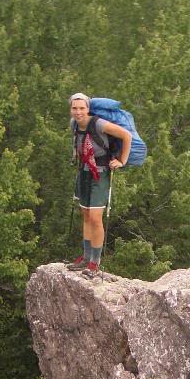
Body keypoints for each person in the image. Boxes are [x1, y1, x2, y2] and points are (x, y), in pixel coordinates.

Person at [66, 93, 132, 277]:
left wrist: (122, 161)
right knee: (86, 216)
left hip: (100, 174)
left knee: (95, 218)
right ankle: (86, 258)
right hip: (84, 172)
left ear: (88, 108)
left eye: (82, 108)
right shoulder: (74, 125)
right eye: (74, 108)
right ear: (70, 109)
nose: (78, 112)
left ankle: (95, 263)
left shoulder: (98, 124)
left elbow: (126, 135)